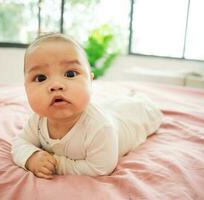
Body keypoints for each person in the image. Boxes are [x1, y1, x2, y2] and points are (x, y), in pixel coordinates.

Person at [11, 33, 163, 179]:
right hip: (108, 109)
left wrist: (56, 163)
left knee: (142, 109)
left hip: (134, 117)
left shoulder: (100, 128)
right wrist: (31, 157)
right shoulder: (38, 120)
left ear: (90, 81)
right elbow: (20, 142)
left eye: (70, 74)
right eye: (41, 77)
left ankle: (140, 100)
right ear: (25, 88)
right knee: (113, 104)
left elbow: (100, 168)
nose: (56, 85)